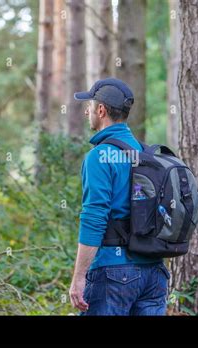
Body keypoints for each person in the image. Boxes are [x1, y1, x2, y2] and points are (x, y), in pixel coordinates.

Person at [68, 78, 171, 316]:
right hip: (154, 273)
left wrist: (79, 277)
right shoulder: (147, 154)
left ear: (101, 110)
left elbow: (94, 217)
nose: (87, 111)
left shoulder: (99, 157)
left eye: (90, 106)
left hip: (113, 273)